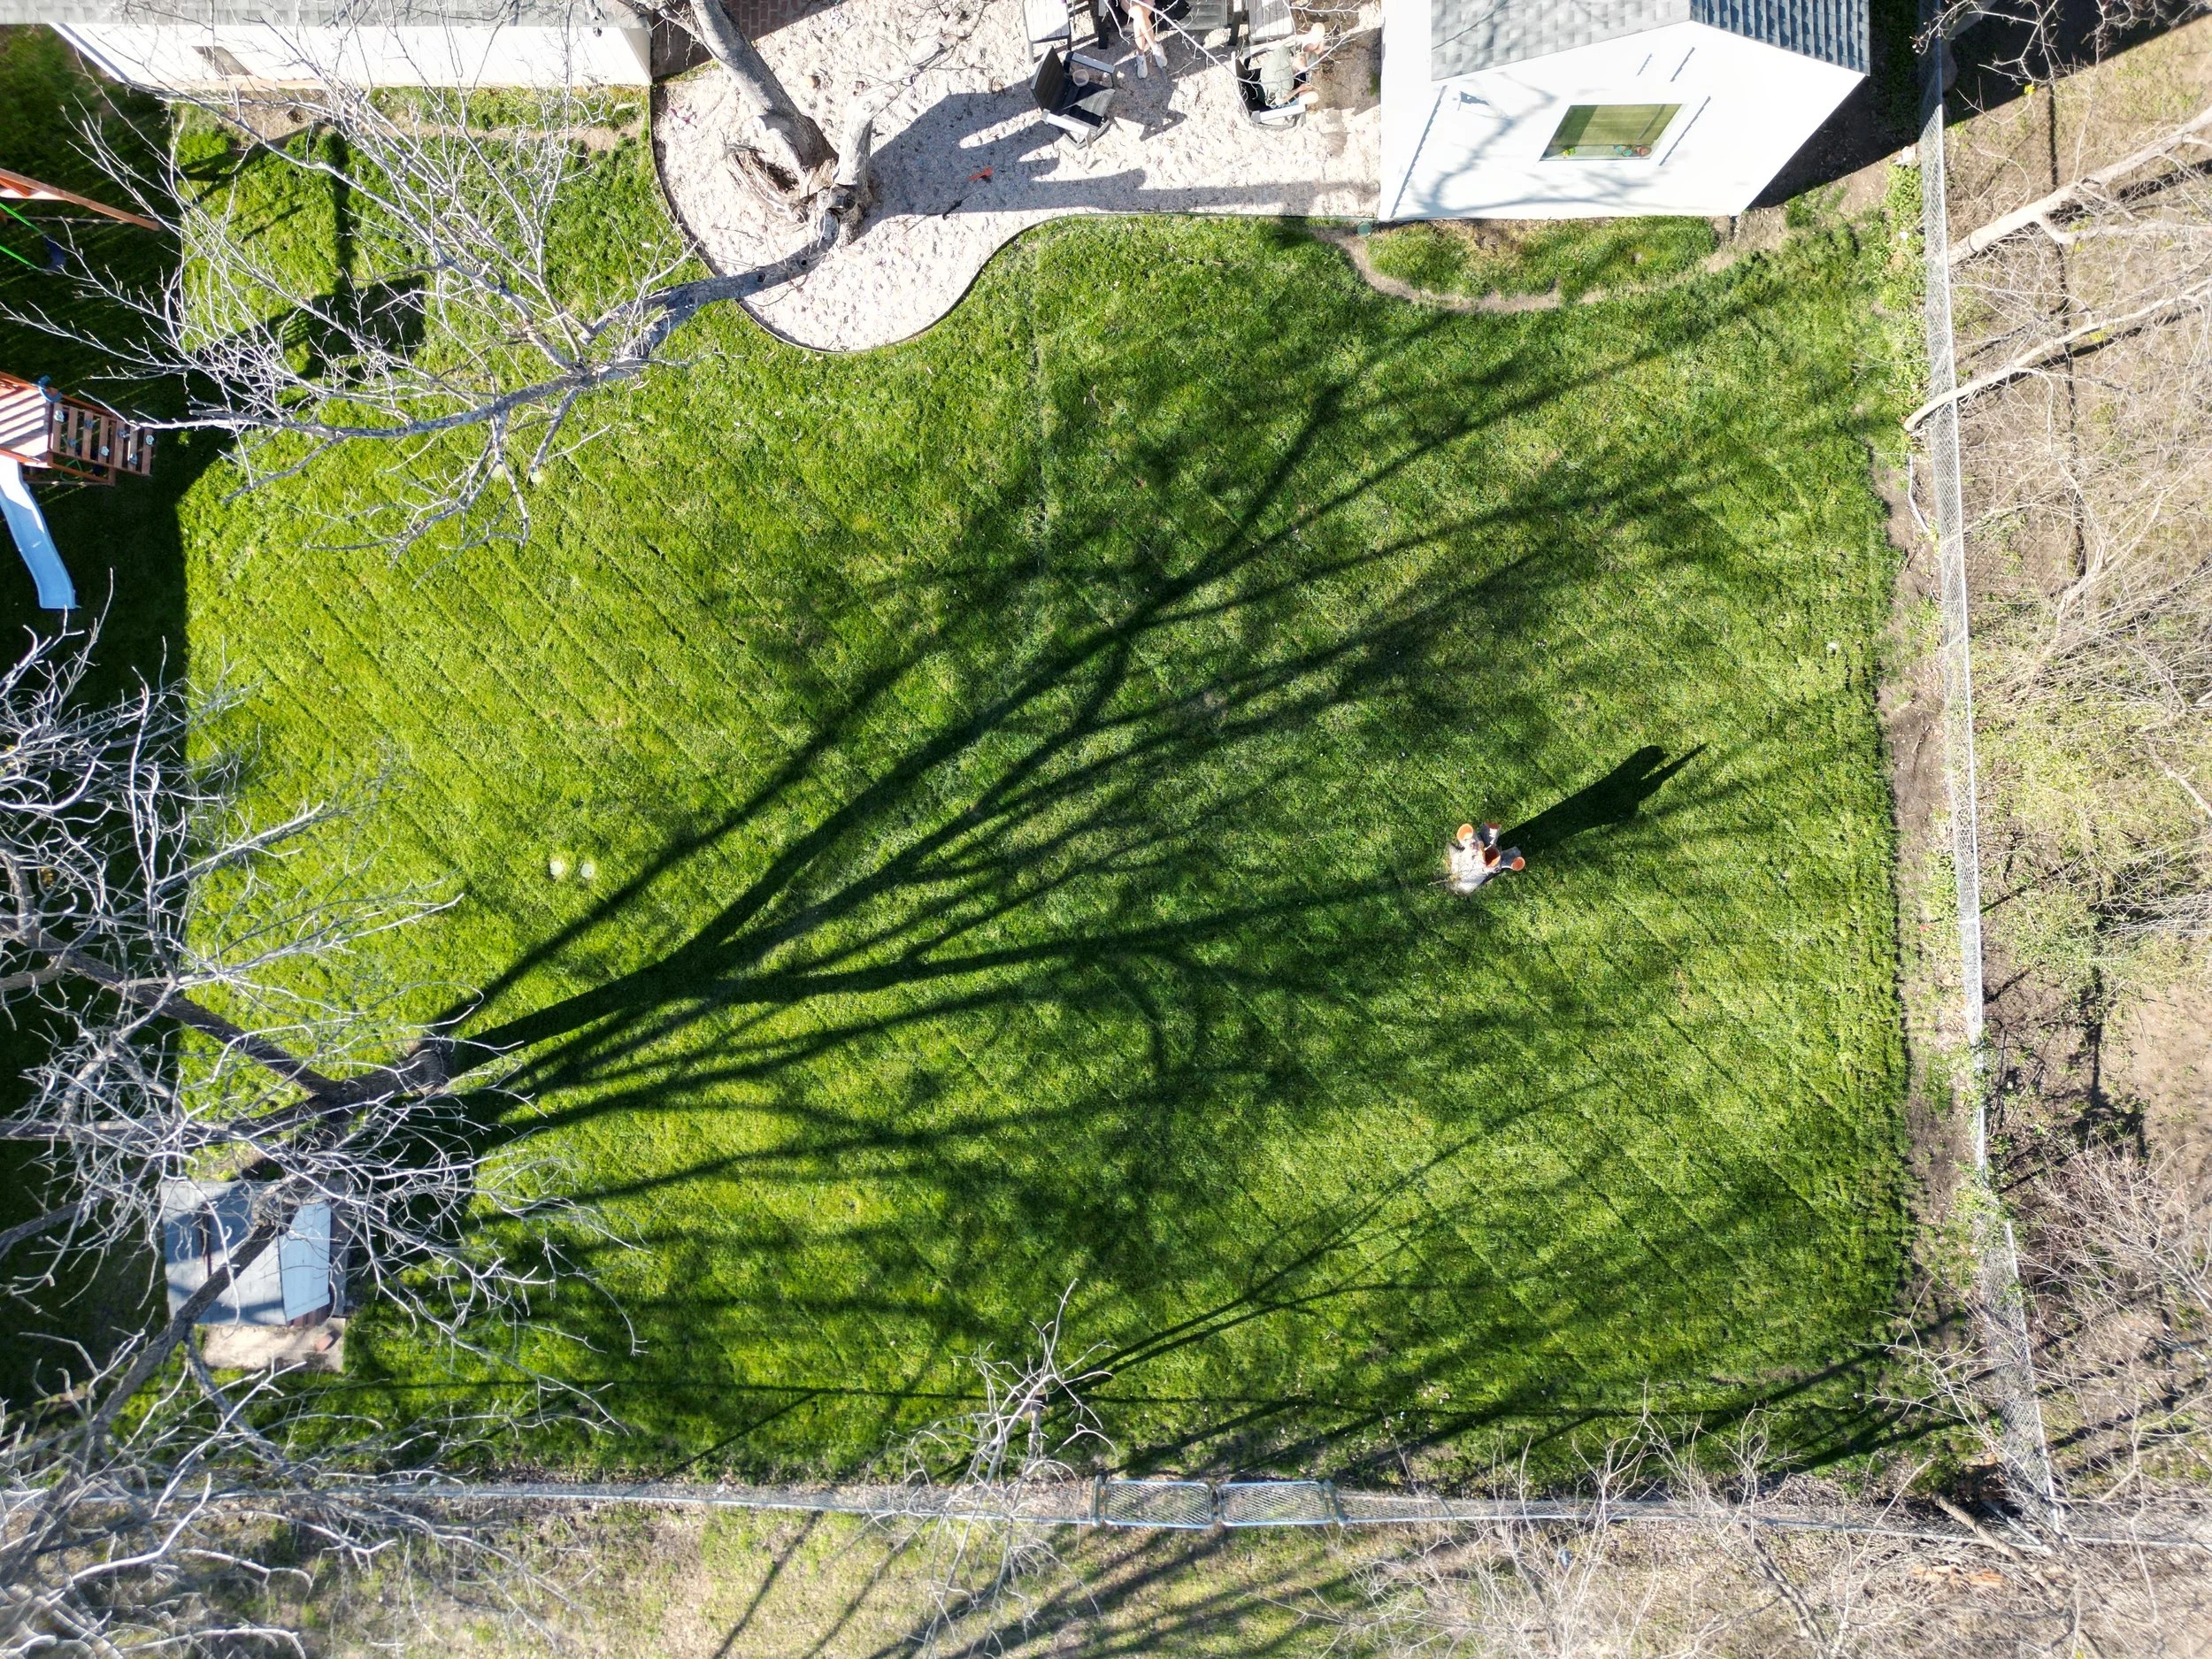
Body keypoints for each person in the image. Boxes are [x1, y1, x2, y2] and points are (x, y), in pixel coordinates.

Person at [1256, 24, 1326, 111]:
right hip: (1268, 99)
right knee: (1314, 97)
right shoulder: (1288, 83)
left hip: (1261, 82)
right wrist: (1299, 89)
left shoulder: (1283, 50)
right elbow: (1279, 101)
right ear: (1304, 69)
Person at [1445, 822, 1525, 895]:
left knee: (1476, 849)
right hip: (1479, 868)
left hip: (1478, 867)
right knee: (1488, 861)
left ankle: (1489, 834)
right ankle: (1491, 834)